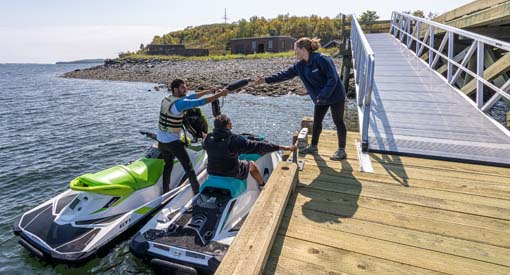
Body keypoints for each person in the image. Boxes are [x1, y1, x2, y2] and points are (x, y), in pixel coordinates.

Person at [254, 37, 348, 160]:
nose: (295, 53)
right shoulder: (300, 66)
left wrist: (323, 95)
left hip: (335, 95)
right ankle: (313, 146)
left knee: (338, 121)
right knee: (317, 122)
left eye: (296, 50)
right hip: (320, 98)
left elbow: (333, 79)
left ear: (303, 49)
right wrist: (265, 80)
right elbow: (284, 75)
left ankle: (342, 150)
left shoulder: (322, 59)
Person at [158, 78, 228, 194]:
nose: (186, 89)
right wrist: (220, 94)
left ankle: (165, 191)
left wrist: (208, 91)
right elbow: (200, 102)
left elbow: (193, 97)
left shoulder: (167, 99)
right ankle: (197, 193)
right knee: (189, 168)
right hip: (173, 143)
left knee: (168, 165)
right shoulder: (180, 103)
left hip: (161, 141)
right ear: (175, 89)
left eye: (185, 86)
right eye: (182, 87)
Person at [203, 114, 296, 186]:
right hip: (231, 172)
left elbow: (206, 146)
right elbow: (258, 146)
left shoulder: (208, 138)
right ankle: (262, 185)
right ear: (227, 125)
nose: (231, 124)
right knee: (251, 164)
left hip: (211, 170)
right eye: (230, 122)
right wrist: (282, 147)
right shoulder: (234, 139)